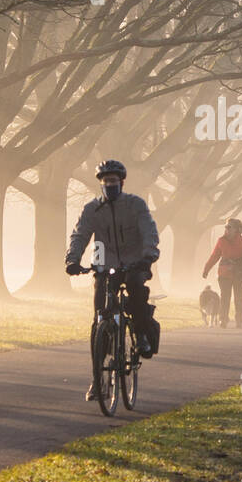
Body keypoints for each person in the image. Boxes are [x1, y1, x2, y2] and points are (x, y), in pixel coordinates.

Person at [66, 159, 161, 402]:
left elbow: (149, 230)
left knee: (136, 289)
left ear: (122, 182)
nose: (110, 185)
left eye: (114, 181)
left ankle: (140, 334)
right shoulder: (92, 209)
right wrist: (73, 260)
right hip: (104, 263)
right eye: (106, 181)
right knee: (99, 318)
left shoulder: (135, 205)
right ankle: (98, 380)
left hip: (135, 261)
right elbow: (80, 234)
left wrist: (149, 254)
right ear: (100, 184)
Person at [202, 217, 242, 327]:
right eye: (226, 227)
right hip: (224, 273)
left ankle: (239, 320)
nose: (226, 229)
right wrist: (206, 269)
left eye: (229, 227)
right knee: (225, 296)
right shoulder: (221, 241)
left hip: (240, 273)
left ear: (236, 229)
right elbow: (215, 256)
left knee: (239, 297)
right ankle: (223, 319)